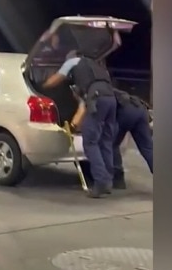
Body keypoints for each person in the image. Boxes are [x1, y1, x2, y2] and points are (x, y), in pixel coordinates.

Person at [43, 50, 117, 198]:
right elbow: (83, 108)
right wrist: (74, 125)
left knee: (90, 142)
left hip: (97, 99)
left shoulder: (72, 62)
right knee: (105, 141)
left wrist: (42, 86)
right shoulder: (96, 67)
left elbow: (54, 80)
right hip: (111, 99)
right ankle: (108, 181)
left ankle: (101, 182)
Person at [111, 88, 153, 189]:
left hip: (125, 111)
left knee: (112, 144)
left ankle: (118, 179)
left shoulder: (95, 93)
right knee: (148, 148)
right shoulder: (109, 88)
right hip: (140, 109)